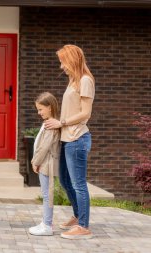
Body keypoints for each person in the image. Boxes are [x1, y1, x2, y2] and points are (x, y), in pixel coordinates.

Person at [45, 44, 95, 239]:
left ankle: (84, 226)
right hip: (67, 138)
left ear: (72, 60)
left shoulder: (85, 80)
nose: (61, 67)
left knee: (78, 183)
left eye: (63, 62)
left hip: (77, 138)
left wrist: (61, 122)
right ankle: (77, 216)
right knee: (66, 181)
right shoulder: (73, 81)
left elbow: (85, 113)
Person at [28, 92, 60, 236]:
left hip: (46, 164)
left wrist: (35, 161)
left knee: (47, 195)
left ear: (50, 108)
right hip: (44, 162)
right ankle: (46, 222)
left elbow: (44, 147)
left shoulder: (51, 125)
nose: (39, 112)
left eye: (41, 109)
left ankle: (47, 225)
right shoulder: (48, 122)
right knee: (46, 194)